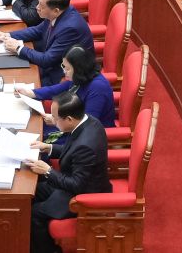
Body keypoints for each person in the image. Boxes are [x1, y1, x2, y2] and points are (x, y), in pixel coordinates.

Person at [26, 92, 112, 252]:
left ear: (69, 119)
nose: (52, 120)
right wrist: (49, 147)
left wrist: (48, 171)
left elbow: (77, 185)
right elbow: (72, 151)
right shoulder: (89, 121)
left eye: (55, 117)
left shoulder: (85, 145)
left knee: (35, 214)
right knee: (30, 194)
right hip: (72, 181)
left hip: (83, 194)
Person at [0, 0, 92, 87]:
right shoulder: (60, 12)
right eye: (38, 2)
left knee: (14, 82)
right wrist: (8, 35)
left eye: (41, 6)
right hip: (49, 64)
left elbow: (47, 60)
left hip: (63, 77)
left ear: (56, 10)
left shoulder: (70, 29)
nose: (37, 7)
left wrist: (18, 48)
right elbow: (38, 30)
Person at [24, 46, 117, 129]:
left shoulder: (98, 88)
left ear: (79, 69)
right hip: (68, 122)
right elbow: (57, 89)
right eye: (63, 66)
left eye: (68, 68)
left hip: (89, 134)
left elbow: (87, 123)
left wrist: (56, 121)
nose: (64, 71)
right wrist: (31, 93)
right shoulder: (82, 76)